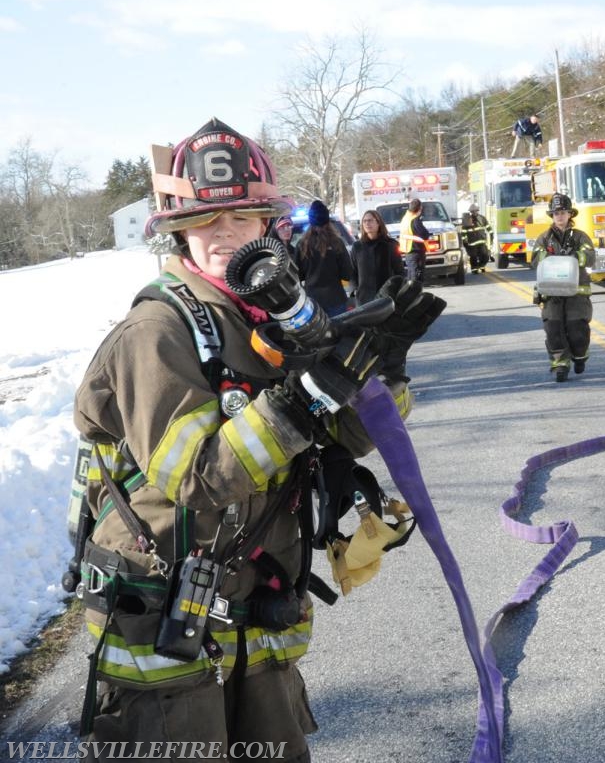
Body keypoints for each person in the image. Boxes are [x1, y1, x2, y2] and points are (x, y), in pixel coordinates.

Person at [71, 117, 445, 762]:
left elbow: (352, 437)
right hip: (164, 612)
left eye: (243, 218)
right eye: (208, 220)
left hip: (260, 604)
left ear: (267, 225)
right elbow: (196, 476)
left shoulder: (272, 315)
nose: (226, 233)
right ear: (179, 230)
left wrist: (381, 366)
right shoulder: (155, 333)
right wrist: (305, 397)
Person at [529, 193, 595, 382]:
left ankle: (580, 357)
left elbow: (590, 256)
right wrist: (551, 259)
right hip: (551, 293)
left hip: (576, 293)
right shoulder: (544, 239)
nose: (559, 216)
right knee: (553, 328)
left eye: (563, 212)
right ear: (552, 215)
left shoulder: (580, 237)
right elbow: (535, 260)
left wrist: (575, 257)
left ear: (569, 214)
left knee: (577, 329)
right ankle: (560, 365)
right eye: (556, 213)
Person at [294, 200, 354, 316]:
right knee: (337, 332)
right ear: (327, 220)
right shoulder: (337, 243)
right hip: (336, 299)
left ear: (310, 221)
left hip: (312, 302)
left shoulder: (302, 245)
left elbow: (297, 274)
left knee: (317, 334)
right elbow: (347, 273)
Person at [350, 210, 404, 306]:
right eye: (365, 221)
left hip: (386, 296)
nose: (367, 223)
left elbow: (399, 271)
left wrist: (396, 289)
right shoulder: (357, 246)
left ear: (378, 223)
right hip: (364, 298)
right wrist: (355, 289)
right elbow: (352, 271)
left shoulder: (390, 245)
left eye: (370, 220)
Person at [398, 198, 430, 284]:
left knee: (411, 275)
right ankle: (415, 293)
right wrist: (427, 235)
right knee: (416, 277)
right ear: (419, 208)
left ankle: (411, 292)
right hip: (416, 250)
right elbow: (424, 234)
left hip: (409, 251)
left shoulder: (406, 218)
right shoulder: (415, 220)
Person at [459, 204, 493, 273]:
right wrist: (464, 241)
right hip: (472, 243)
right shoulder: (467, 220)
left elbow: (488, 227)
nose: (474, 212)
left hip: (482, 241)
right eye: (472, 211)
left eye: (475, 211)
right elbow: (463, 232)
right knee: (473, 256)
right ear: (471, 212)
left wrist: (491, 234)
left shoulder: (482, 218)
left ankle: (481, 266)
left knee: (485, 255)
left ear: (478, 211)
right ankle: (474, 269)